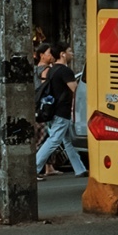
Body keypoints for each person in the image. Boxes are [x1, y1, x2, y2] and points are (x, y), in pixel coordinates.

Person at [34, 43, 86, 179]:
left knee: (67, 141)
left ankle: (80, 169)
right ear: (63, 54)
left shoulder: (52, 70)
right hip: (62, 111)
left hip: (54, 110)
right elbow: (76, 90)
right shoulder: (65, 71)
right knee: (54, 140)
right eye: (69, 51)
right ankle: (34, 168)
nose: (72, 54)